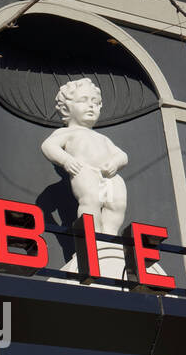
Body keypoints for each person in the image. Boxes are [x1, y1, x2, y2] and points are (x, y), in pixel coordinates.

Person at [40, 77, 129, 236]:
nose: (91, 106)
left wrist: (115, 163)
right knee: (91, 201)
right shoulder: (67, 132)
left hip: (109, 175)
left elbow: (122, 155)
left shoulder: (103, 138)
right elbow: (48, 146)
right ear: (67, 108)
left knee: (117, 204)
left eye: (95, 103)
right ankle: (93, 236)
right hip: (84, 171)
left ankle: (110, 236)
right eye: (83, 100)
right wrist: (66, 160)